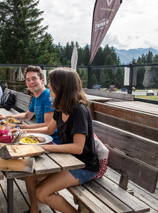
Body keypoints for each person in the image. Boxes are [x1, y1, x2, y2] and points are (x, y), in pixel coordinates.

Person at [22, 67, 99, 213]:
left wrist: (45, 148)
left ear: (62, 86)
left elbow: (78, 147)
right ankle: (34, 210)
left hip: (83, 166)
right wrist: (22, 131)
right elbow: (48, 130)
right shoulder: (60, 106)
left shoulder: (79, 110)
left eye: (52, 82)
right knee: (29, 175)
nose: (49, 85)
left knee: (41, 193)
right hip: (67, 160)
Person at [0, 66, 59, 144]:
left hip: (51, 140)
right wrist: (6, 117)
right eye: (28, 80)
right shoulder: (36, 97)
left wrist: (19, 127)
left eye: (34, 79)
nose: (31, 82)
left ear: (42, 80)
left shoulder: (48, 96)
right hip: (40, 136)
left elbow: (48, 125)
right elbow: (27, 116)